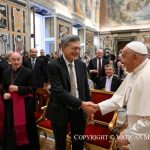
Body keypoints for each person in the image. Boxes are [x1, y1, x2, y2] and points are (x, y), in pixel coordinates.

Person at [90, 41, 150, 150]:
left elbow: (148, 119)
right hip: (136, 131)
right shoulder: (133, 72)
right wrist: (97, 107)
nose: (121, 60)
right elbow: (119, 98)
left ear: (135, 57)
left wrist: (129, 135)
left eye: (123, 56)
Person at [46, 34, 96, 150]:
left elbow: (84, 89)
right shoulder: (53, 65)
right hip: (60, 110)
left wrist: (89, 108)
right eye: (74, 48)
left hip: (79, 111)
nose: (77, 51)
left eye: (79, 48)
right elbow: (58, 91)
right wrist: (81, 104)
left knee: (78, 143)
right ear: (63, 48)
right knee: (60, 144)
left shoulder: (81, 65)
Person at [2, 52, 39, 150]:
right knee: (11, 127)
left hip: (25, 106)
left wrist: (18, 89)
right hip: (10, 105)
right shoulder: (6, 72)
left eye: (18, 59)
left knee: (26, 128)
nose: (16, 62)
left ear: (22, 60)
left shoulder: (28, 72)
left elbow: (33, 88)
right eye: (13, 59)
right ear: (9, 61)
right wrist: (4, 93)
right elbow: (4, 87)